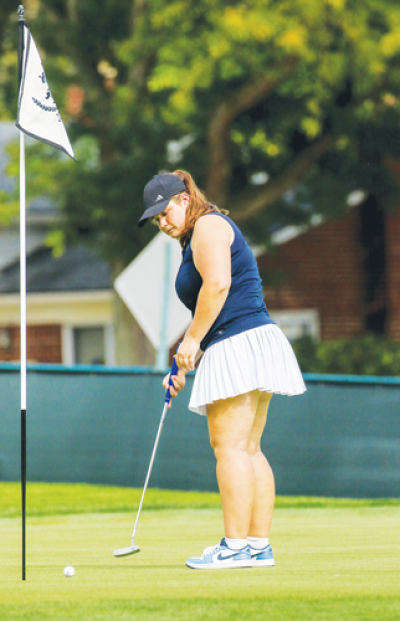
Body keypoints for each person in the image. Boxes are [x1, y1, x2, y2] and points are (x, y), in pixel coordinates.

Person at [138, 170, 306, 570]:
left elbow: (217, 287)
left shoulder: (209, 225)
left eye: (164, 212)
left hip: (239, 340)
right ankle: (256, 546)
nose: (162, 222)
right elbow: (206, 309)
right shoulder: (193, 237)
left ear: (183, 199)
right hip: (246, 340)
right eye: (155, 219)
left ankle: (234, 547)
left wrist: (191, 343)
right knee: (247, 448)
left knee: (229, 448)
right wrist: (184, 359)